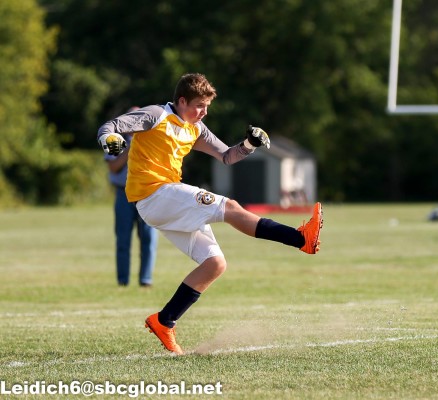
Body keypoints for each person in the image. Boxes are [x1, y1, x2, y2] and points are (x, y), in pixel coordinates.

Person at [97, 73, 323, 355]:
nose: (204, 112)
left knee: (215, 264)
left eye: (207, 107)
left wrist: (249, 144)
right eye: (199, 106)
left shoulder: (196, 128)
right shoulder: (156, 115)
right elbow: (111, 125)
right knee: (231, 208)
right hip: (154, 195)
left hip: (163, 202)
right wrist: (110, 139)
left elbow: (227, 156)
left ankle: (164, 320)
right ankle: (300, 238)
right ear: (181, 101)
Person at [104, 111, 158, 288]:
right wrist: (131, 146)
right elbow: (114, 167)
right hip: (124, 195)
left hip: (147, 193)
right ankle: (122, 280)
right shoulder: (116, 140)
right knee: (123, 238)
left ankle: (146, 279)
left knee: (149, 238)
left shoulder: (152, 139)